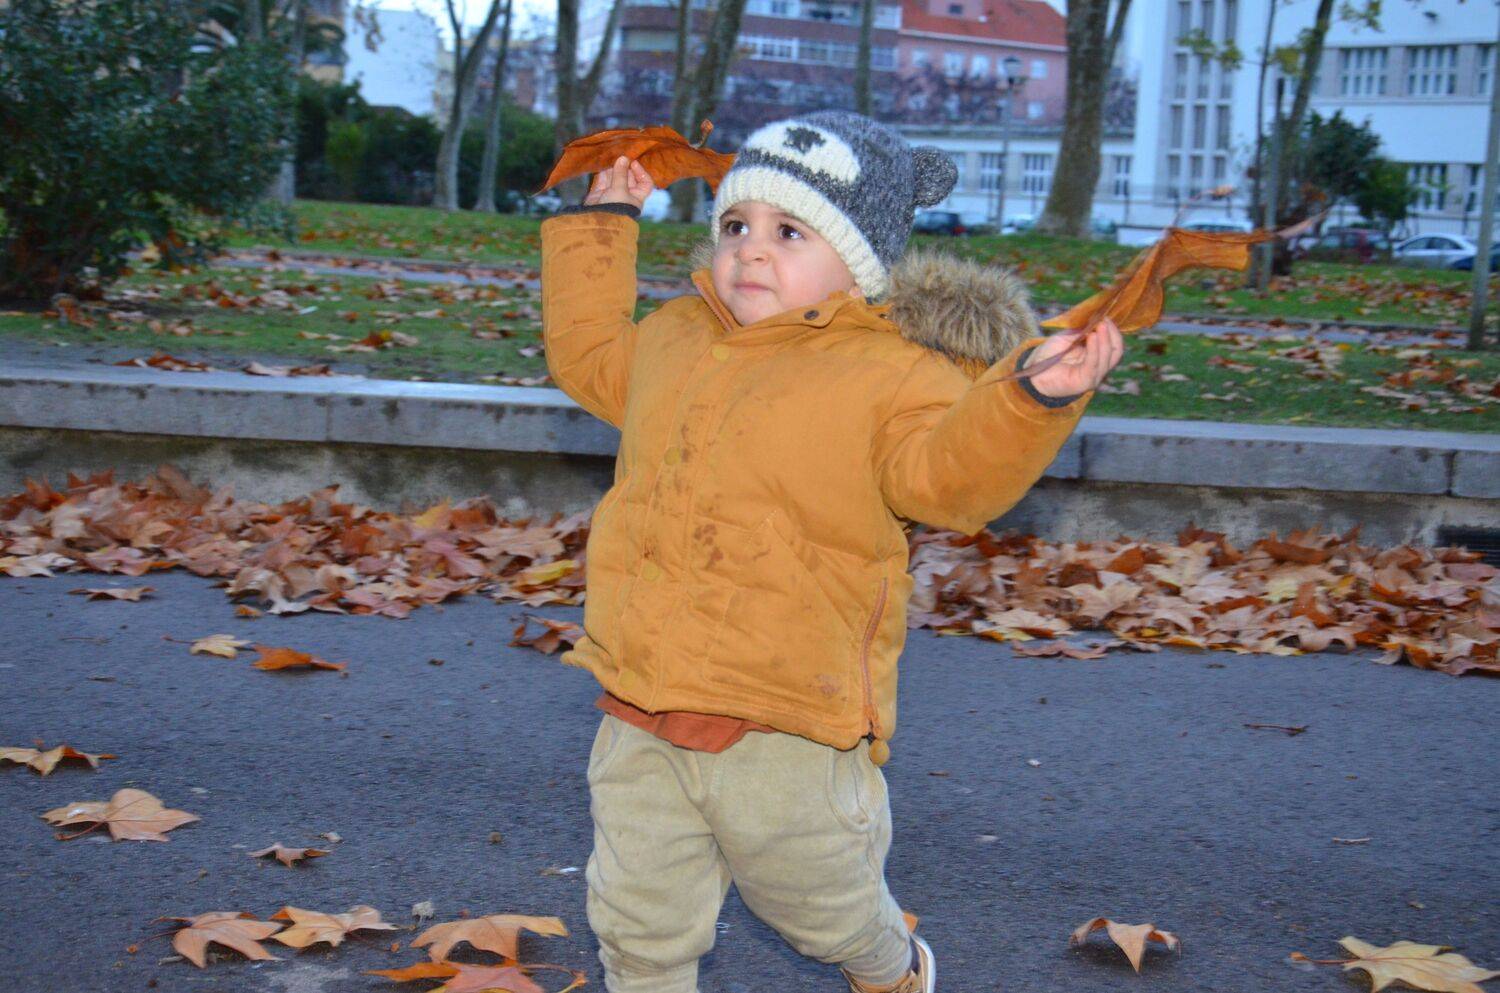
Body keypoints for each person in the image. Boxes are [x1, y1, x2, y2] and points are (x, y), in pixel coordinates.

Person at [539, 110, 1123, 993]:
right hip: (643, 693)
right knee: (635, 913)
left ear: (857, 263)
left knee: (816, 903)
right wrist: (603, 222)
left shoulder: (895, 373)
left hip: (789, 712)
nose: (750, 250)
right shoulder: (676, 338)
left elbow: (948, 481)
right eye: (735, 224)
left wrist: (1027, 401)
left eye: (789, 231)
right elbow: (586, 354)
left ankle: (889, 964)